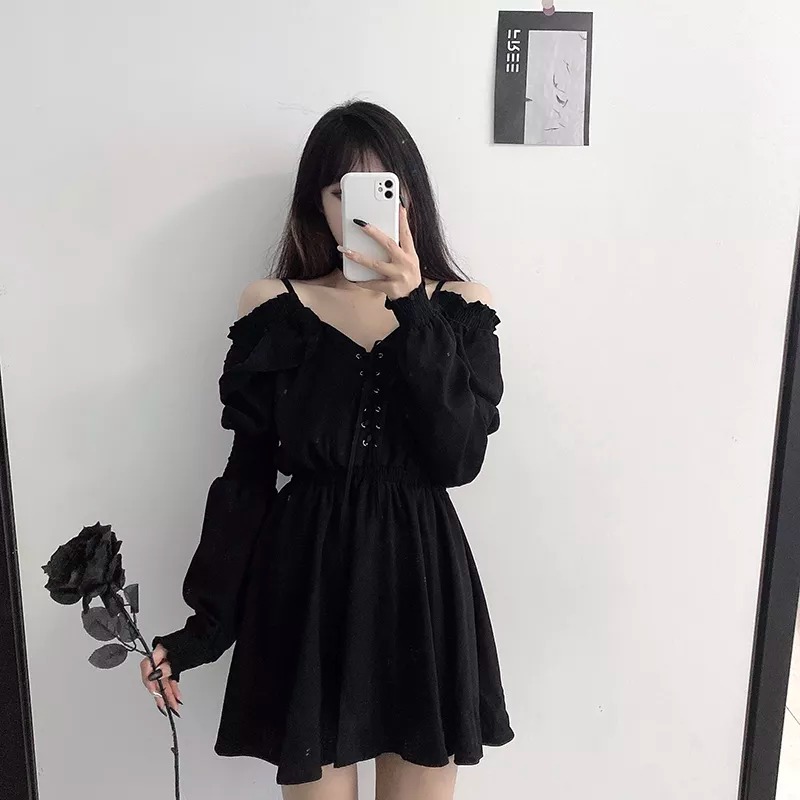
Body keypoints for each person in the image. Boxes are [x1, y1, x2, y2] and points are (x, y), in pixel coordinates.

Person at [139, 100, 514, 800]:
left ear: (410, 197)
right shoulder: (274, 307)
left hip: (421, 583)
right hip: (306, 588)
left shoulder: (459, 309)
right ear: (318, 202)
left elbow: (459, 458)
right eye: (343, 191)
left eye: (382, 188)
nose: (362, 210)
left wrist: (414, 307)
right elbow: (247, 479)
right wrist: (203, 630)